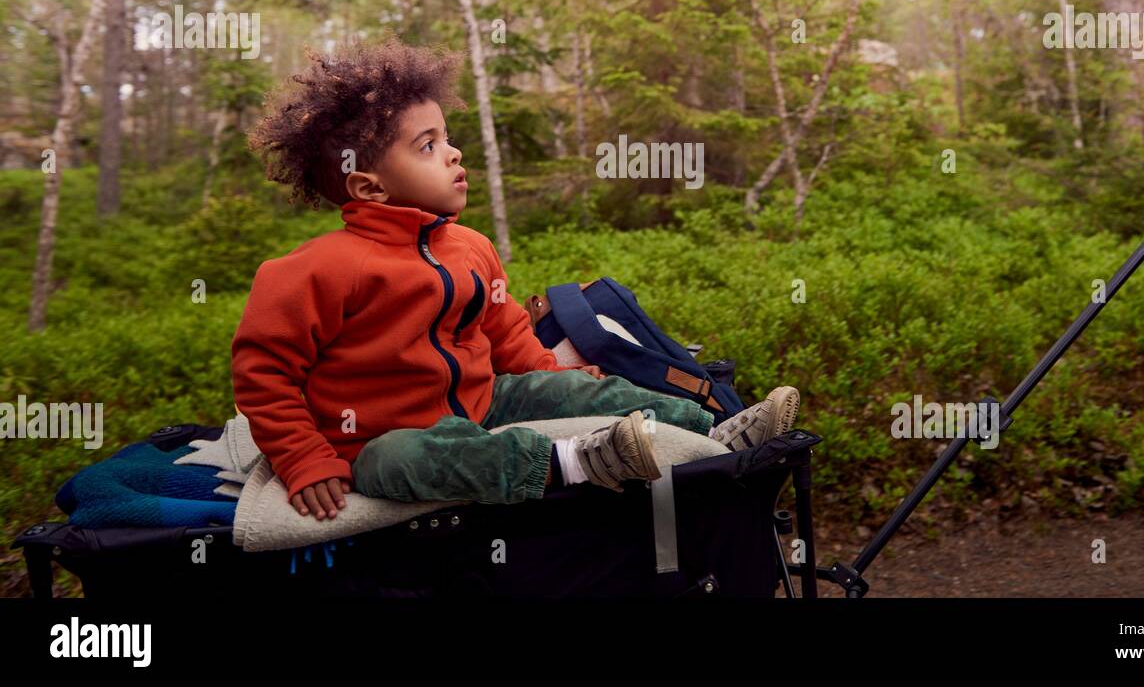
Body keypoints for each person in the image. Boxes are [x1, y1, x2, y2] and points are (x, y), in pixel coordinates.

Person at [230, 37, 801, 520]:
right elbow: (264, 374)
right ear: (370, 187)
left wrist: (553, 376)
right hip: (374, 439)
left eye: (446, 137)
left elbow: (505, 332)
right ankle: (575, 463)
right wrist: (304, 458)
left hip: (484, 400)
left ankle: (720, 429)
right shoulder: (314, 270)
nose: (453, 154)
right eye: (427, 146)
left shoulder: (470, 246)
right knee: (402, 460)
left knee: (585, 387)